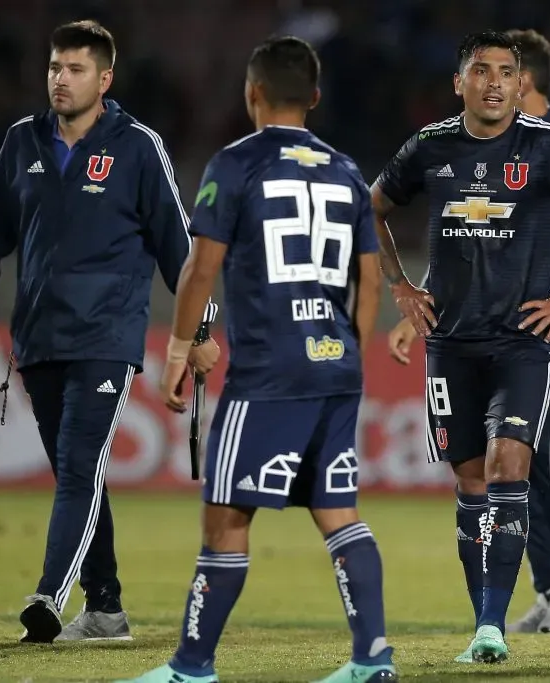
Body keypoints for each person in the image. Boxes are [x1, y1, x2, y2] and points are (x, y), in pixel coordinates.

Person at [118, 36, 397, 683]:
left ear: (252, 94)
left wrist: (180, 348)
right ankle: (372, 656)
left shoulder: (237, 163)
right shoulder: (347, 170)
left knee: (225, 517)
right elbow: (372, 280)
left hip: (270, 369)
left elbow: (200, 267)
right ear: (316, 97)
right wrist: (348, 353)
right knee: (338, 512)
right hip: (338, 364)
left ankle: (191, 667)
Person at [371, 30, 550, 663]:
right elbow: (370, 206)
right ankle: (483, 621)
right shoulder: (428, 149)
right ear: (458, 82)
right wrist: (402, 288)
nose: (493, 81)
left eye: (505, 71)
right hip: (451, 345)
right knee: (468, 482)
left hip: (523, 342)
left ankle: (498, 622)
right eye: (480, 70)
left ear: (523, 84)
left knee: (512, 461)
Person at [0, 19, 219, 644]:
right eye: (55, 68)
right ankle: (107, 609)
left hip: (108, 336)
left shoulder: (138, 146)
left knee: (80, 460)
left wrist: (200, 327)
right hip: (36, 340)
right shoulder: (21, 142)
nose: (61, 80)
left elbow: (181, 247)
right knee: (76, 475)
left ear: (105, 77)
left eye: (76, 69)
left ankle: (49, 595)